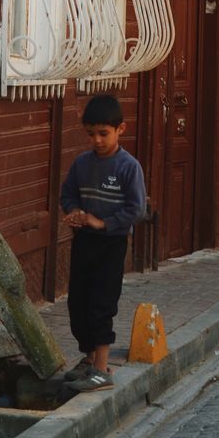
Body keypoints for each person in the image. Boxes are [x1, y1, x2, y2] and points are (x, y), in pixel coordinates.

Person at [59, 94, 147, 391]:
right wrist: (74, 212)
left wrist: (103, 222)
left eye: (103, 134)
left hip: (111, 244)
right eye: (91, 134)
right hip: (84, 242)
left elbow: (136, 210)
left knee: (101, 303)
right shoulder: (82, 164)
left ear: (121, 129)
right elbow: (68, 194)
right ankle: (88, 359)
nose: (96, 140)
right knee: (78, 302)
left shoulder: (128, 167)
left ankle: (102, 368)